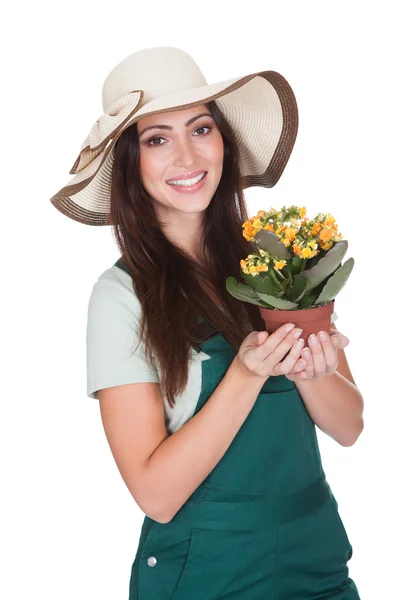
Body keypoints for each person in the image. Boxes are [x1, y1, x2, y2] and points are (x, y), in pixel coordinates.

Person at [50, 46, 363, 599]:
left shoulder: (282, 260)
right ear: (129, 164)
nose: (188, 156)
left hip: (317, 562)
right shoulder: (121, 298)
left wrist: (314, 372)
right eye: (157, 139)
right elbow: (156, 494)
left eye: (201, 128)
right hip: (206, 572)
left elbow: (350, 427)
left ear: (224, 140)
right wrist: (245, 375)